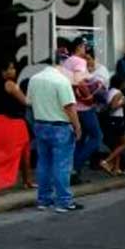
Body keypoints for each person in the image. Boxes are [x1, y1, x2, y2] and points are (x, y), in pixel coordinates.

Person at [27, 51, 83, 213]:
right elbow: (69, 107)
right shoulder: (61, 80)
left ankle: (43, 200)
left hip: (40, 125)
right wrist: (78, 127)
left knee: (43, 163)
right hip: (60, 127)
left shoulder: (34, 79)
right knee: (62, 165)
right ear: (60, 65)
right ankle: (64, 202)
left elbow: (29, 102)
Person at [0, 60, 34, 191]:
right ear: (3, 72)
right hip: (14, 124)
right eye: (11, 68)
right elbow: (26, 102)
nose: (14, 71)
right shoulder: (10, 84)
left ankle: (27, 181)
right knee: (24, 153)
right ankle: (27, 181)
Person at [63, 38, 103, 184]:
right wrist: (89, 97)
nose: (86, 49)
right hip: (84, 107)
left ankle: (74, 175)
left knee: (79, 140)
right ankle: (75, 167)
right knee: (97, 137)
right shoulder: (79, 61)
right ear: (79, 47)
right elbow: (79, 81)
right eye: (85, 46)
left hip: (72, 106)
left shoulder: (67, 62)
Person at [100, 74, 125, 176]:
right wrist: (123, 103)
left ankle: (116, 168)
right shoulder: (118, 93)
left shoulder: (110, 91)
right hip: (117, 119)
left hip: (111, 120)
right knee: (124, 143)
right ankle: (106, 161)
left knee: (117, 144)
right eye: (124, 82)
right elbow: (113, 106)